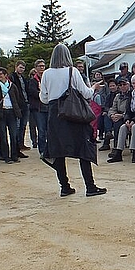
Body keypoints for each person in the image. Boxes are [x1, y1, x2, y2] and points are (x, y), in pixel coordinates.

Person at [39, 44, 107, 197]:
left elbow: (43, 99)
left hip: (55, 116)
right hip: (73, 114)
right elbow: (86, 93)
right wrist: (94, 87)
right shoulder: (72, 71)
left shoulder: (47, 74)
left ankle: (64, 187)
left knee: (58, 152)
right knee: (83, 150)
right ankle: (90, 186)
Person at [107, 75, 135, 164]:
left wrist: (133, 120)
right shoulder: (131, 94)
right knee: (123, 127)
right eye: (133, 83)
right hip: (131, 118)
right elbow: (128, 110)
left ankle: (134, 152)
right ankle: (118, 152)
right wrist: (127, 119)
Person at [0, 67, 26, 164]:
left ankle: (14, 155)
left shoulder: (12, 86)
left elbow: (17, 98)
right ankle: (6, 156)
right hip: (1, 112)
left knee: (14, 135)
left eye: (0, 74)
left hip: (11, 112)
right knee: (3, 135)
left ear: (5, 75)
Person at [28, 59, 49, 156]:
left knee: (49, 130)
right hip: (38, 108)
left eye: (43, 66)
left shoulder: (47, 79)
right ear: (36, 68)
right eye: (40, 66)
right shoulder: (33, 81)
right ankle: (42, 150)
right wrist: (42, 93)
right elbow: (32, 93)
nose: (41, 68)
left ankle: (49, 149)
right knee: (41, 130)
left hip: (48, 107)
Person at [10, 60, 30, 152]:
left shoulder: (23, 78)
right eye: (20, 67)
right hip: (18, 104)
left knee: (23, 125)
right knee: (17, 126)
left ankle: (21, 143)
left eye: (23, 68)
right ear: (16, 67)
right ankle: (16, 145)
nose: (22, 69)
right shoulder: (12, 77)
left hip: (25, 103)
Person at [98, 78, 118, 151]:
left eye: (113, 85)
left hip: (117, 113)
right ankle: (108, 134)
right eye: (110, 86)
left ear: (116, 86)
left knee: (107, 117)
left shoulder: (119, 95)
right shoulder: (108, 96)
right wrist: (108, 111)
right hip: (110, 113)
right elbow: (106, 106)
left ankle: (108, 138)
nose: (112, 87)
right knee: (103, 116)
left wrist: (112, 113)